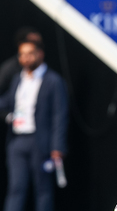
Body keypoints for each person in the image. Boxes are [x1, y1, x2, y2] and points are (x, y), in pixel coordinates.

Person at [0, 38, 68, 211]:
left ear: (40, 54)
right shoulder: (17, 79)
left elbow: (59, 115)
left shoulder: (53, 80)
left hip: (40, 142)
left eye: (30, 54)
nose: (26, 58)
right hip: (17, 141)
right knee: (16, 188)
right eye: (22, 55)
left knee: (43, 190)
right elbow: (7, 102)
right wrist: (8, 115)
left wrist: (57, 147)